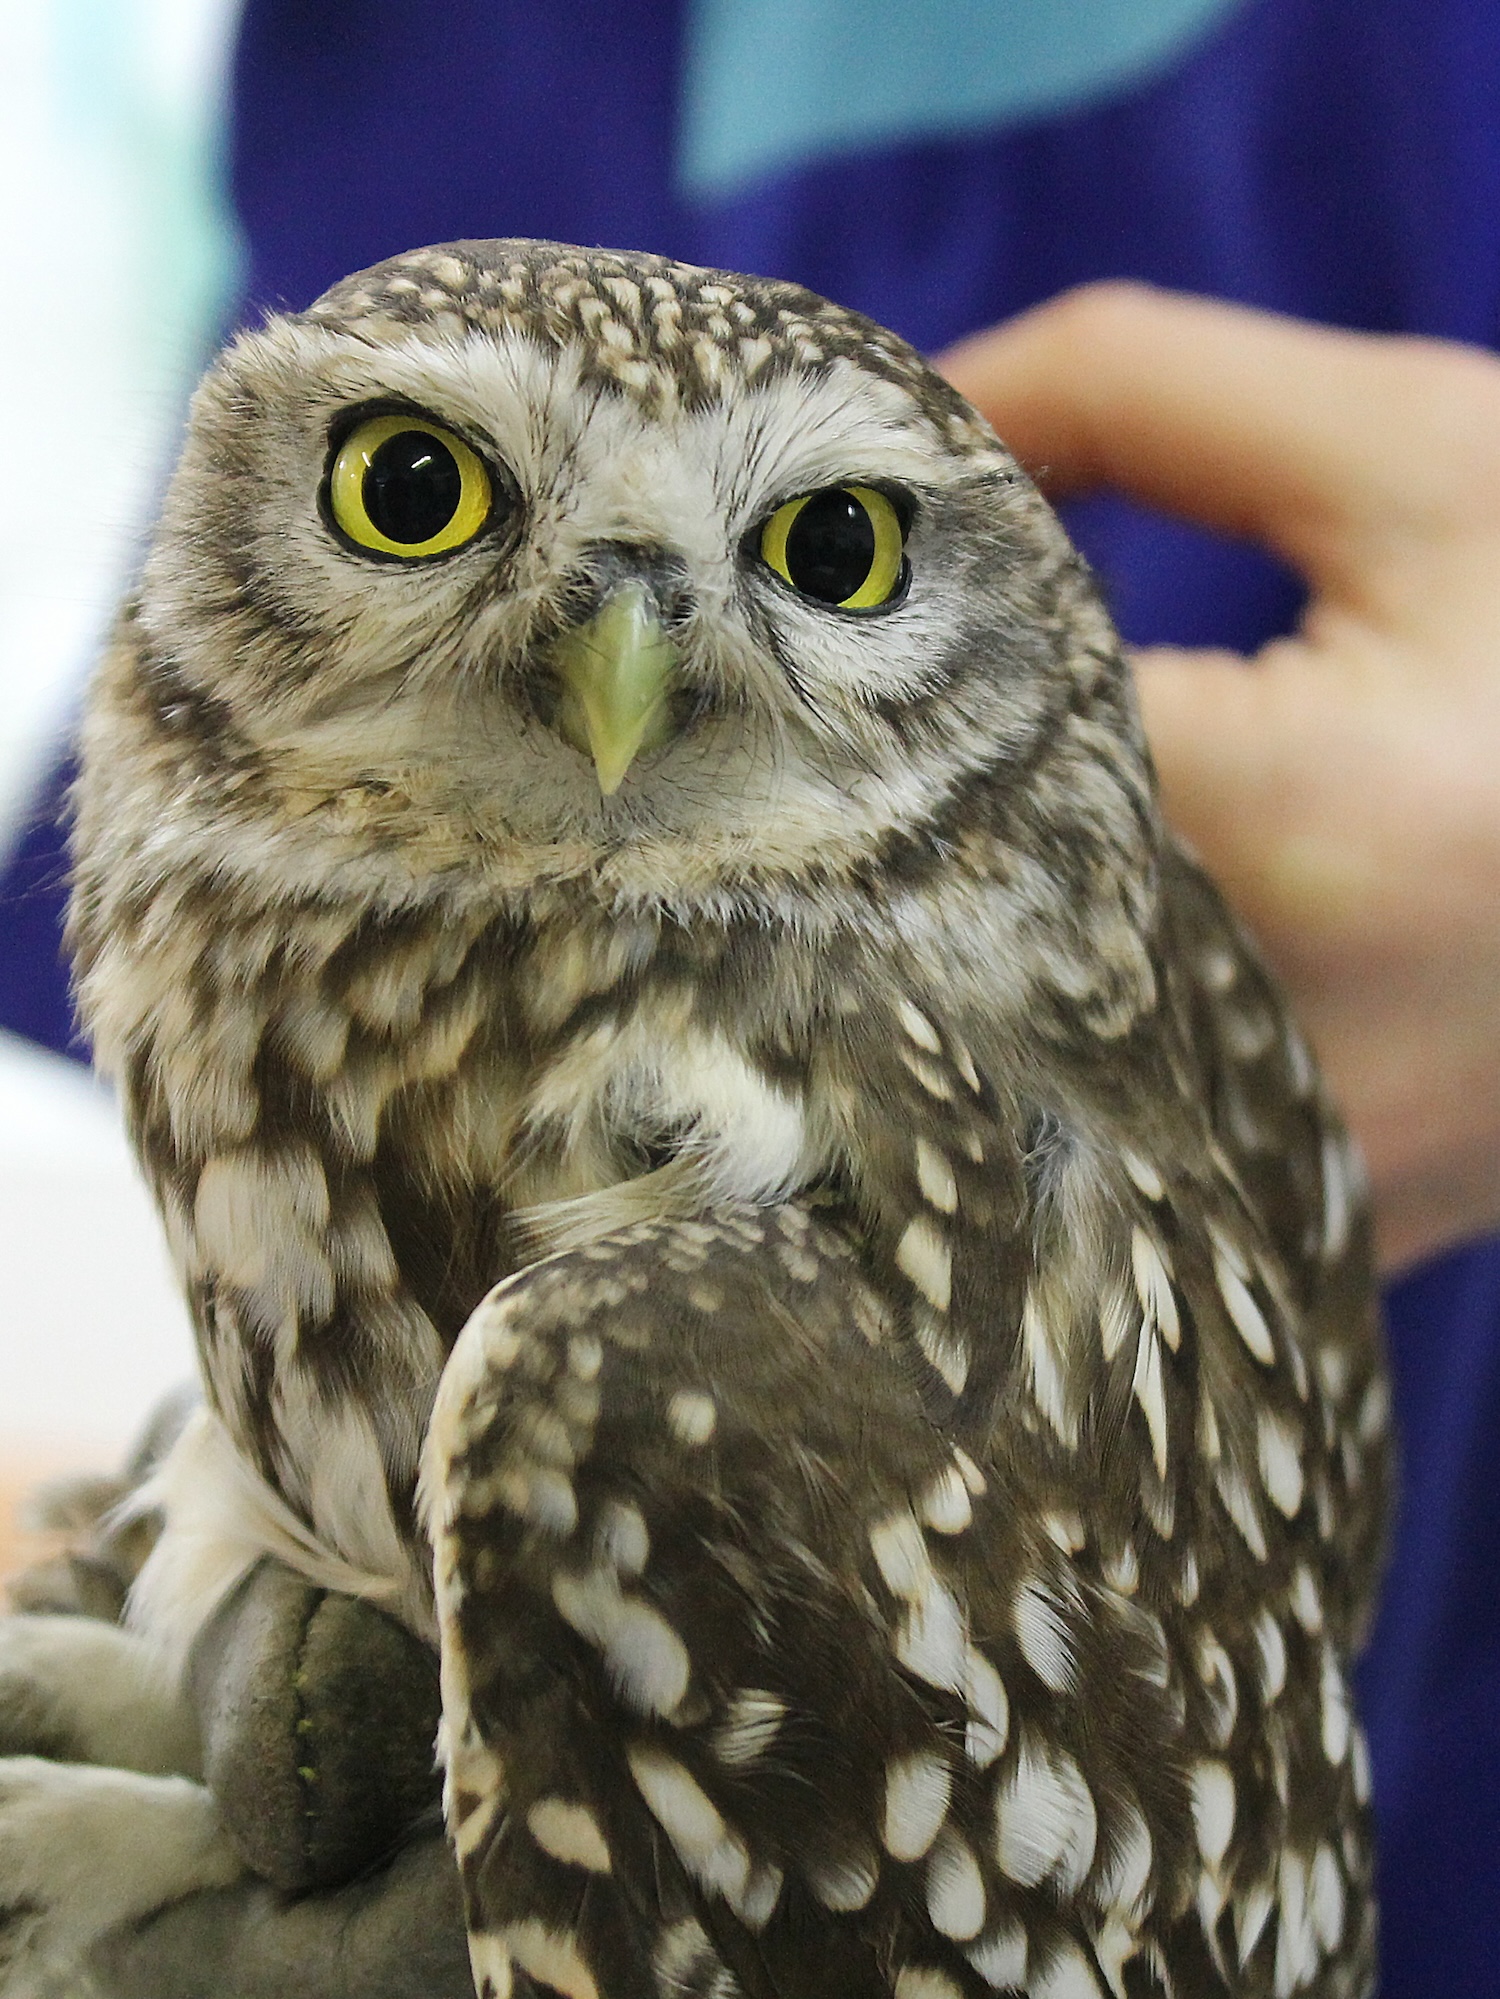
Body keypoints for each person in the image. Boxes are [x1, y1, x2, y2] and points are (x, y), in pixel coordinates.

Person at [3, 1, 1496, 1986]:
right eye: (416, 499)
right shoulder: (389, 67)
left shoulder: (678, 1319)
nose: (623, 673)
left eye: (829, 548)